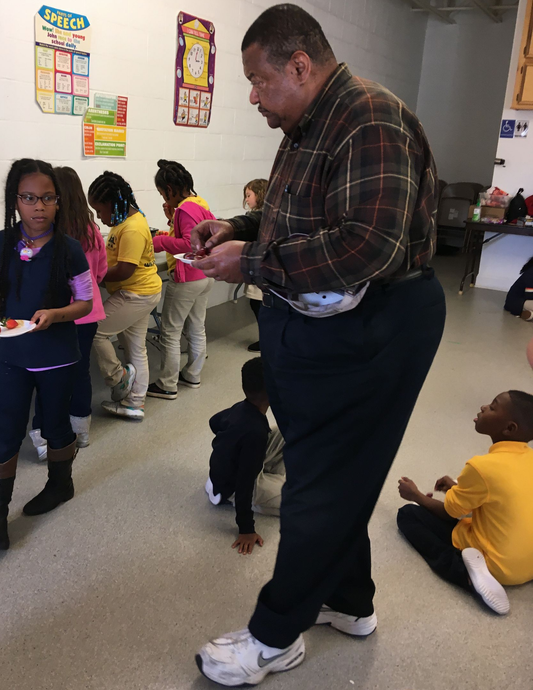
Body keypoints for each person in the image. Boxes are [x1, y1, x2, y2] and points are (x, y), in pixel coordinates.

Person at [191, 5, 446, 686]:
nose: (252, 95)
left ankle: (274, 637)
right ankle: (349, 601)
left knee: (320, 486)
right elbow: (294, 211)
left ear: (299, 65)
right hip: (327, 325)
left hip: (376, 326)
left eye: (257, 79)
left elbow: (367, 245)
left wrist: (251, 262)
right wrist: (238, 227)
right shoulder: (310, 123)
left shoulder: (368, 118)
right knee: (334, 472)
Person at [0, 158, 93, 551]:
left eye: (48, 198)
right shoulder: (2, 243)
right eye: (29, 198)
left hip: (57, 355)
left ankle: (60, 485)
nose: (39, 206)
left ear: (58, 201)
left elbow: (85, 303)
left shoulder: (69, 249)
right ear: (15, 201)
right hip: (14, 354)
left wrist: (56, 314)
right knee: (7, 429)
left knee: (54, 425)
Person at [397, 390, 533, 615]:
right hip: (529, 563)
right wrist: (457, 488)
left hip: (500, 567)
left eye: (492, 406)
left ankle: (469, 577)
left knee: (408, 515)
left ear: (509, 428)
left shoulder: (482, 467)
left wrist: (416, 495)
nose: (483, 407)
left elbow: (449, 514)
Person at [30, 166, 108, 458]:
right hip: (86, 315)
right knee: (80, 372)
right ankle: (81, 432)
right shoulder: (91, 232)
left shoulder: (46, 234)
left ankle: (43, 439)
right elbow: (100, 273)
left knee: (46, 376)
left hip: (53, 316)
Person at [88, 172, 162, 422]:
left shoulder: (132, 228)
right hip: (140, 291)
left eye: (100, 211)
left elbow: (125, 269)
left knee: (95, 330)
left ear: (113, 204)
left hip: (135, 293)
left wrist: (95, 276)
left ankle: (117, 378)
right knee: (136, 347)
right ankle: (134, 403)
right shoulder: (126, 221)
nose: (100, 217)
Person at [146, 160, 215, 400]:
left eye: (162, 193)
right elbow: (196, 234)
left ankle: (167, 384)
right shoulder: (199, 203)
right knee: (196, 326)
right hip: (205, 275)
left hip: (188, 278)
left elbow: (189, 244)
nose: (164, 198)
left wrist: (161, 241)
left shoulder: (184, 209)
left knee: (170, 331)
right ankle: (193, 374)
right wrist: (170, 221)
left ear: (169, 188)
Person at [205, 357, 286, 555]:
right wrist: (246, 529)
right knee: (303, 499)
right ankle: (230, 494)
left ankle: (272, 476)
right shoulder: (254, 433)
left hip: (237, 467)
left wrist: (230, 444)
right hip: (233, 488)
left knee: (288, 432)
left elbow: (214, 421)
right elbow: (244, 483)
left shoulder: (242, 408)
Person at [242, 179, 268, 353]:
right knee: (256, 304)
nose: (246, 200)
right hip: (257, 265)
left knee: (260, 305)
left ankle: (266, 341)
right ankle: (266, 339)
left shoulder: (261, 218)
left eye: (248, 195)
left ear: (260, 194)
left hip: (261, 267)